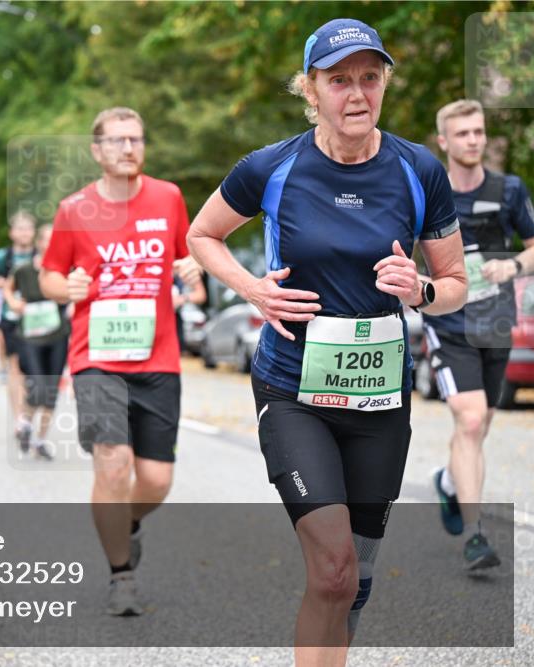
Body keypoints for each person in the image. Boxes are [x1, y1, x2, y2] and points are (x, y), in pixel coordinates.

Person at [187, 19, 466, 663]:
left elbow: (455, 283)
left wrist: (420, 290)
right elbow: (202, 236)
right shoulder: (271, 167)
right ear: (311, 89)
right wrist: (252, 289)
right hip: (294, 391)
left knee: (356, 583)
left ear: (385, 84)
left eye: (370, 77)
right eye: (338, 80)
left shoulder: (418, 169)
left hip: (378, 401)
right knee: (333, 571)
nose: (356, 93)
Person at [39, 107, 201, 616]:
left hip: (159, 357)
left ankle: (125, 523)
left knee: (155, 480)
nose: (128, 148)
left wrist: (193, 270)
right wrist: (65, 286)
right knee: (113, 462)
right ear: (97, 151)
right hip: (96, 358)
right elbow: (48, 276)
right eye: (116, 141)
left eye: (135, 139)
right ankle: (121, 574)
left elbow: (188, 257)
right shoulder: (73, 209)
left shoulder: (169, 197)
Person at [424, 99, 534, 570]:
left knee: (481, 423)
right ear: (444, 142)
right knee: (469, 420)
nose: (474, 140)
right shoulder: (428, 192)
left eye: (479, 131)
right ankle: (475, 535)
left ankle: (449, 483)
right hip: (447, 323)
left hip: (494, 321)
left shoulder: (508, 190)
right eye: (463, 133)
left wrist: (511, 263)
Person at [4, 224, 68, 460]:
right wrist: (12, 302)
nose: (50, 244)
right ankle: (24, 422)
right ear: (39, 243)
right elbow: (8, 288)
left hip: (57, 335)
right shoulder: (23, 270)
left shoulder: (64, 269)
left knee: (51, 392)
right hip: (29, 336)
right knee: (38, 385)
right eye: (46, 240)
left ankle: (39, 439)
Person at [0, 212, 36, 444]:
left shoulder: (41, 255)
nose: (24, 233)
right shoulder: (3, 256)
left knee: (33, 373)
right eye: (20, 229)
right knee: (15, 368)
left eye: (28, 228)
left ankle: (27, 416)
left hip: (36, 319)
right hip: (10, 317)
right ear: (12, 232)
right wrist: (4, 286)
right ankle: (19, 418)